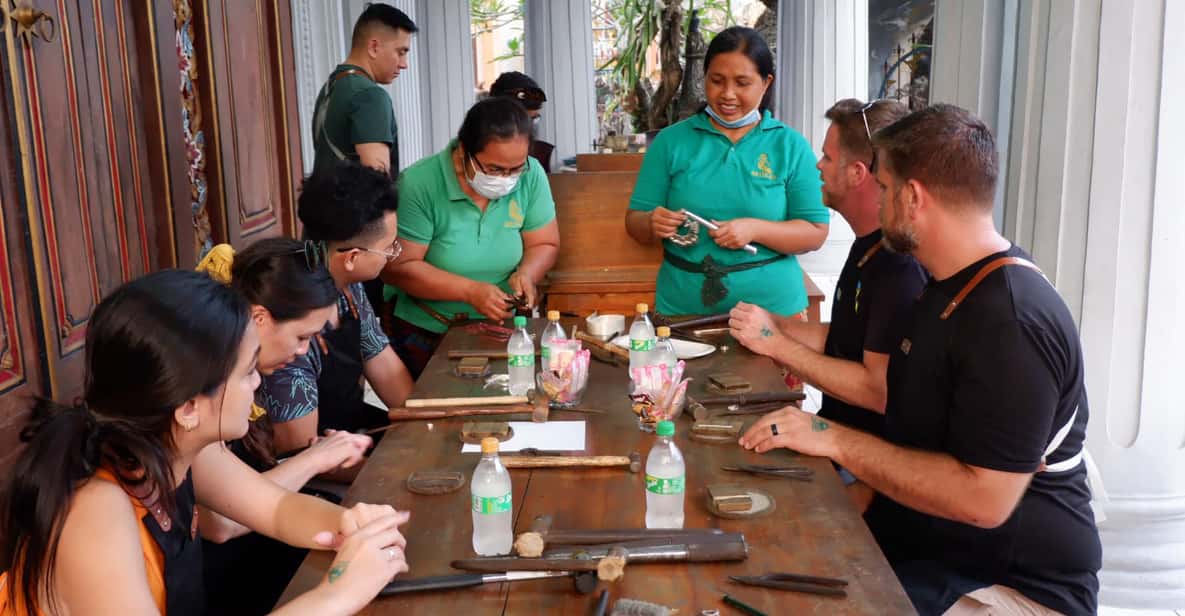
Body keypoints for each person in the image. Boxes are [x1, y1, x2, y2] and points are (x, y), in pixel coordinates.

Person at [739, 105, 1101, 615]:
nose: (879, 203)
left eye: (884, 190)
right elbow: (916, 437)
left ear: (912, 197)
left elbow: (984, 502)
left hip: (1010, 587)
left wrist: (832, 439)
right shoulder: (943, 286)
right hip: (932, 553)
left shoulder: (1012, 319)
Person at [0, 270, 409, 616]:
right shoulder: (94, 512)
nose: (258, 381)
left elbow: (278, 508)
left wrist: (351, 527)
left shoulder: (176, 446)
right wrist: (339, 592)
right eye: (248, 371)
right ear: (189, 406)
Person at [196, 238, 375, 614]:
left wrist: (354, 524)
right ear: (259, 318)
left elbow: (271, 507)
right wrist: (314, 459)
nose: (302, 353)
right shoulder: (204, 399)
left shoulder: (230, 383)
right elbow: (222, 523)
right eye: (302, 338)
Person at [729, 98, 925, 437]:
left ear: (858, 173)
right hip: (837, 438)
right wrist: (773, 324)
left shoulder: (899, 267)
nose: (818, 166)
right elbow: (845, 340)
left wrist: (774, 343)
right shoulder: (868, 244)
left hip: (868, 465)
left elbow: (877, 391)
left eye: (828, 157)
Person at [625, 26, 829, 317]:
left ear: (766, 83)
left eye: (742, 83)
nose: (728, 94)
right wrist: (651, 223)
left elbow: (815, 232)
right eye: (716, 81)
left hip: (774, 312)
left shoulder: (789, 145)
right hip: (683, 309)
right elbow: (634, 222)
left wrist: (754, 229)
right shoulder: (671, 142)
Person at [382, 97, 560, 377]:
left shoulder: (531, 175)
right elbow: (399, 267)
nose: (507, 178)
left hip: (504, 331)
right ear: (464, 150)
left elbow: (544, 243)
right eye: (494, 169)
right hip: (428, 330)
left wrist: (527, 274)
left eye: (516, 169)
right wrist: (470, 292)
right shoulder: (420, 184)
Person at [263, 161, 414, 455]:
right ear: (352, 257)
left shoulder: (350, 288)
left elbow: (387, 370)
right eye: (389, 247)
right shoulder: (291, 312)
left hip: (350, 435)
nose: (392, 255)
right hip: (308, 464)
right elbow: (299, 449)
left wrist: (427, 427)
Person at [311, 3, 416, 177]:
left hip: (322, 202)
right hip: (355, 204)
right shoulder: (370, 96)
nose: (404, 64)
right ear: (374, 47)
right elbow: (376, 185)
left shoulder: (331, 86)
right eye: (400, 52)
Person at [488, 71, 554, 172]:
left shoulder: (532, 169)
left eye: (533, 120)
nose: (528, 128)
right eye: (522, 120)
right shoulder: (463, 161)